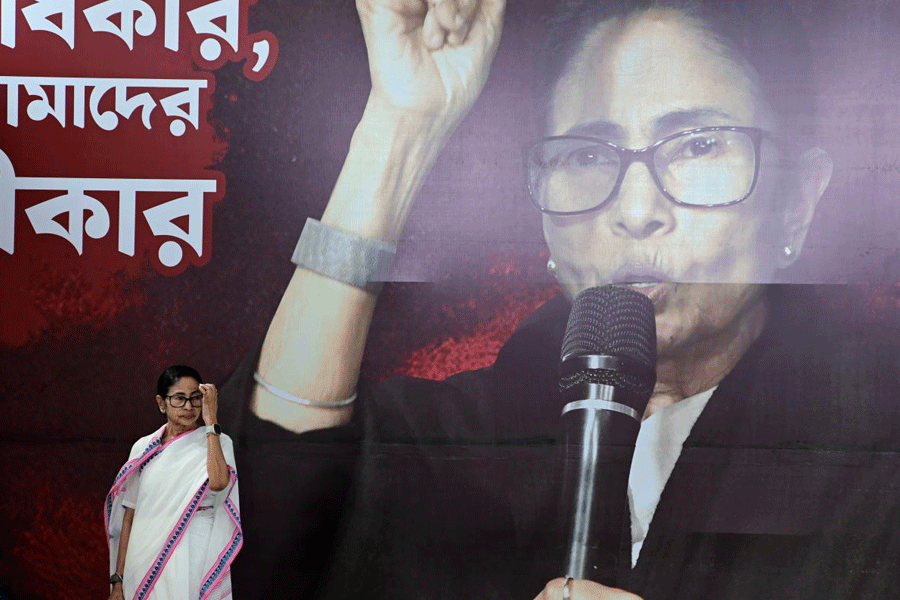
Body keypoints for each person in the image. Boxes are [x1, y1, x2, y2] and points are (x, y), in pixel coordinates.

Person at [219, 0, 900, 598]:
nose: (636, 210)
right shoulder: (454, 440)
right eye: (587, 156)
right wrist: (399, 128)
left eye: (698, 146)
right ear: (543, 221)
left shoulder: (876, 456)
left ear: (797, 205)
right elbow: (260, 525)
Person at [105, 366, 241, 600]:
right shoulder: (144, 449)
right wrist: (118, 580)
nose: (188, 407)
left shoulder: (218, 441)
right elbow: (129, 516)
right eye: (179, 399)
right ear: (162, 403)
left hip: (195, 553)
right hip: (144, 555)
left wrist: (211, 423)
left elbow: (219, 483)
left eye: (196, 399)